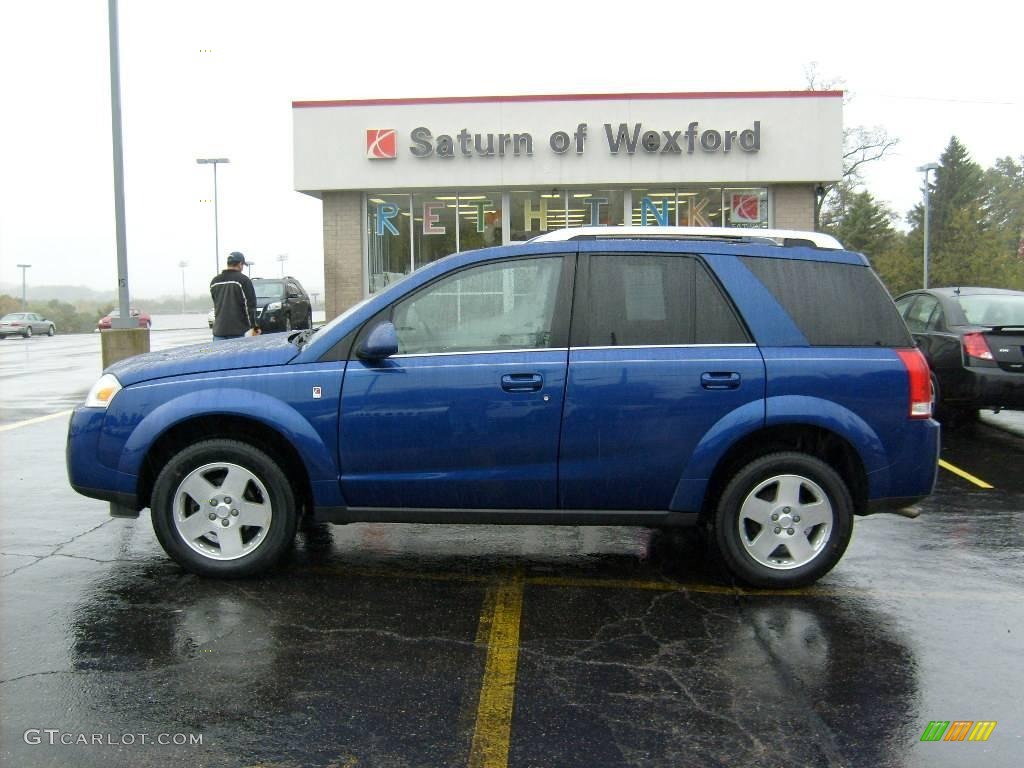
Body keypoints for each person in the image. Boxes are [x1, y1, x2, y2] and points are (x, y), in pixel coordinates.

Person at [210, 251, 260, 340]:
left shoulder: (214, 282)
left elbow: (216, 305)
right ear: (240, 264)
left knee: (218, 354)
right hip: (239, 332)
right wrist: (254, 328)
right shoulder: (243, 280)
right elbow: (250, 306)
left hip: (218, 332)